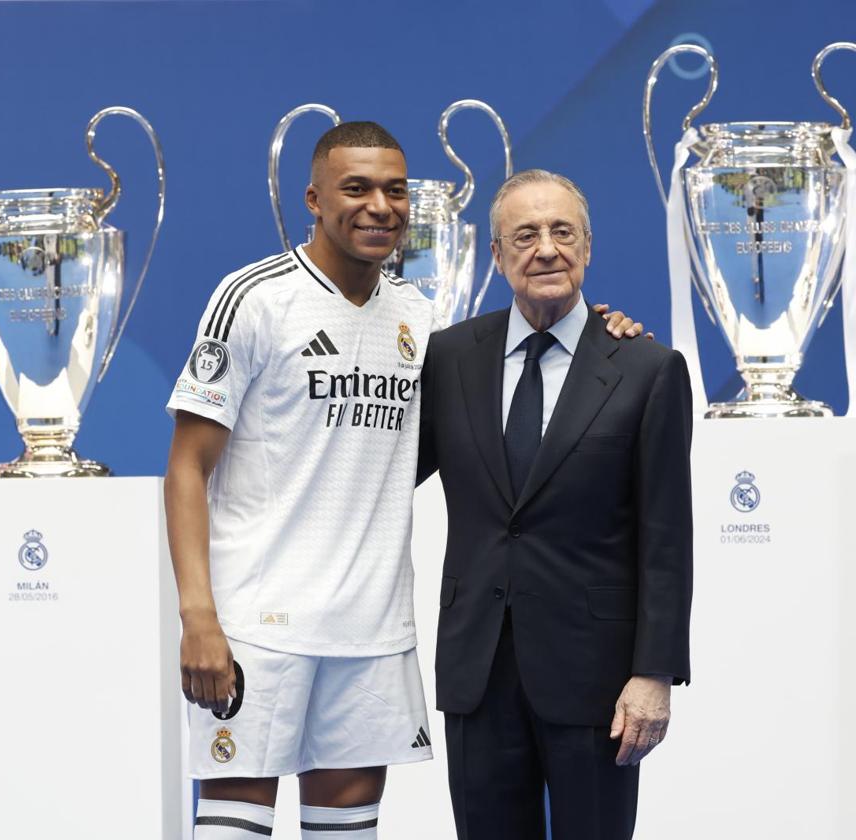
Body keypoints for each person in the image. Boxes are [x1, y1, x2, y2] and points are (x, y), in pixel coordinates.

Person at [165, 125, 641, 838]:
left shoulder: (422, 322)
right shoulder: (255, 299)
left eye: (395, 190)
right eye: (355, 188)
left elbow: (508, 384)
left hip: (371, 630)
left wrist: (594, 335)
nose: (379, 206)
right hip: (258, 624)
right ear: (314, 198)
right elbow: (185, 468)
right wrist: (198, 616)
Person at [417, 169, 693, 840]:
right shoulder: (448, 359)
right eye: (526, 234)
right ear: (497, 255)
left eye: (562, 231)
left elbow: (666, 539)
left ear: (588, 247)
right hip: (478, 671)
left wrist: (653, 673)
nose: (546, 248)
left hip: (597, 679)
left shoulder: (646, 369)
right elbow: (379, 472)